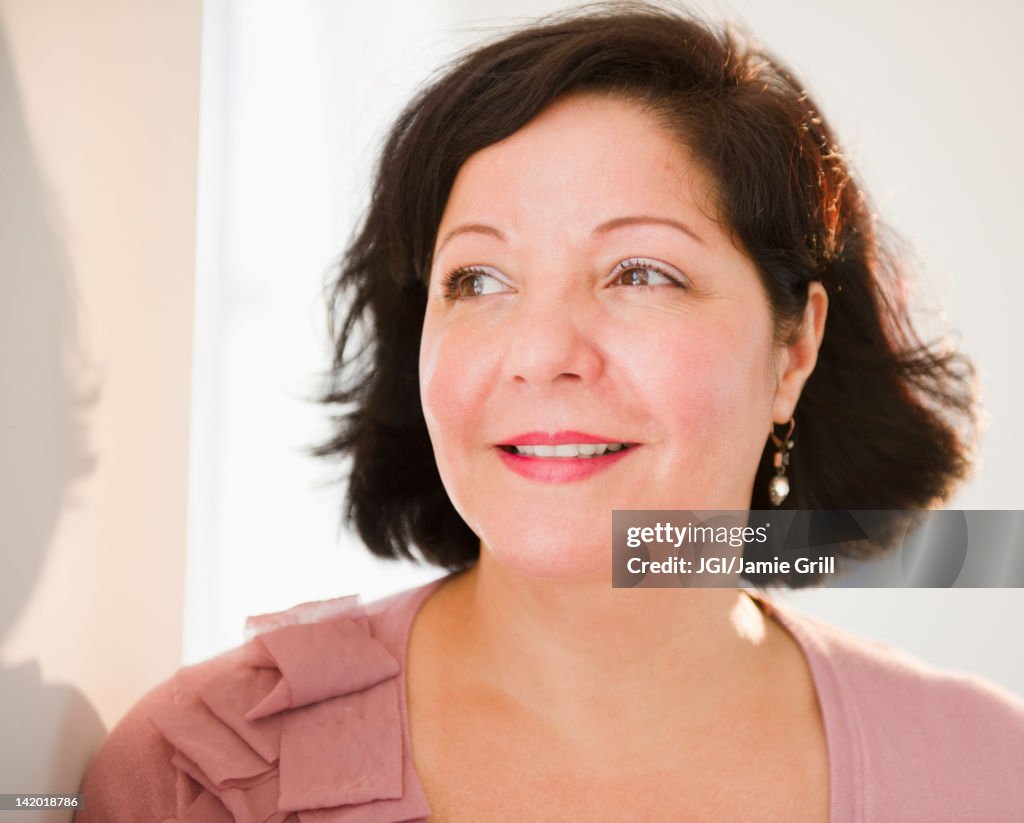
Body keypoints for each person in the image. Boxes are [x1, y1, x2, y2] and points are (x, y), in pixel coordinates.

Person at [77, 4, 1024, 821]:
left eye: (641, 272)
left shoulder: (989, 771)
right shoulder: (201, 775)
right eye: (479, 279)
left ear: (795, 349)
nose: (539, 352)